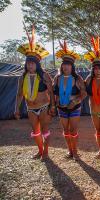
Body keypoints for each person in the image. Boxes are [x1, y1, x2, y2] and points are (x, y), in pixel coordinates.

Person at [15, 25, 55, 160]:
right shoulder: (22, 77)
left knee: (45, 131)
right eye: (28, 63)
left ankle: (46, 152)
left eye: (32, 63)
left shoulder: (44, 75)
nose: (30, 65)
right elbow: (20, 94)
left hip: (44, 107)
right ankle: (40, 150)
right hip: (30, 108)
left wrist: (52, 106)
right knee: (35, 132)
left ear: (37, 64)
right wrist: (16, 109)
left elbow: (51, 91)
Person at [54, 41, 87, 161]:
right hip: (61, 108)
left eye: (68, 64)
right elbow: (55, 93)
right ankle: (70, 151)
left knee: (73, 130)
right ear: (61, 66)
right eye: (64, 64)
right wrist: (55, 104)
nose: (65, 66)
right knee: (66, 131)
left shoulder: (78, 78)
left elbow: (84, 93)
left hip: (74, 107)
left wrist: (75, 101)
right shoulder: (57, 78)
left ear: (72, 66)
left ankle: (76, 152)